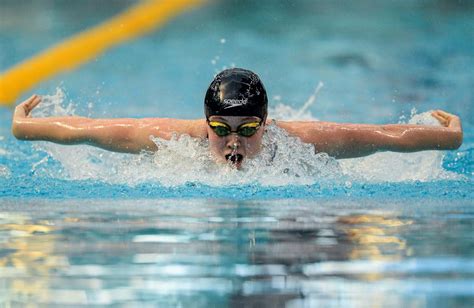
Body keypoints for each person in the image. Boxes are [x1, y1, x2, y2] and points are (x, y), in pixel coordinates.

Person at [12, 68, 463, 169]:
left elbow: (384, 136)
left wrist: (451, 137)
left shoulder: (303, 142)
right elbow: (88, 132)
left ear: (266, 124)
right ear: (204, 123)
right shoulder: (171, 140)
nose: (235, 144)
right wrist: (22, 126)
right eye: (221, 130)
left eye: (249, 130)